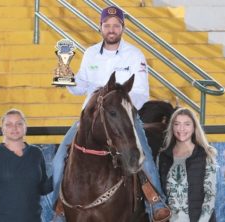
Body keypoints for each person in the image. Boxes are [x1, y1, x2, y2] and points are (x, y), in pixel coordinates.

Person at [51, 5, 171, 222]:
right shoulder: (89, 54)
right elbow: (80, 87)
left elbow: (142, 92)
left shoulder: (135, 55)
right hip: (89, 120)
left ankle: (156, 202)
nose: (112, 29)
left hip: (123, 118)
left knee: (143, 157)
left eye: (116, 25)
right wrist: (66, 76)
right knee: (59, 159)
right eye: (107, 25)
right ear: (101, 27)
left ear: (122, 28)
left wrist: (117, 104)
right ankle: (58, 210)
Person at [0, 108, 53, 222]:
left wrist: (62, 173)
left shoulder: (36, 153)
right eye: (9, 124)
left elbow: (42, 189)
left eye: (19, 123)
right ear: (3, 129)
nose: (14, 128)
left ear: (25, 127)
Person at [157, 107, 217, 222]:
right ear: (172, 127)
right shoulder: (162, 156)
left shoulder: (206, 154)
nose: (181, 128)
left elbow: (210, 196)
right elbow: (161, 195)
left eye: (187, 124)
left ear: (194, 127)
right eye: (177, 124)